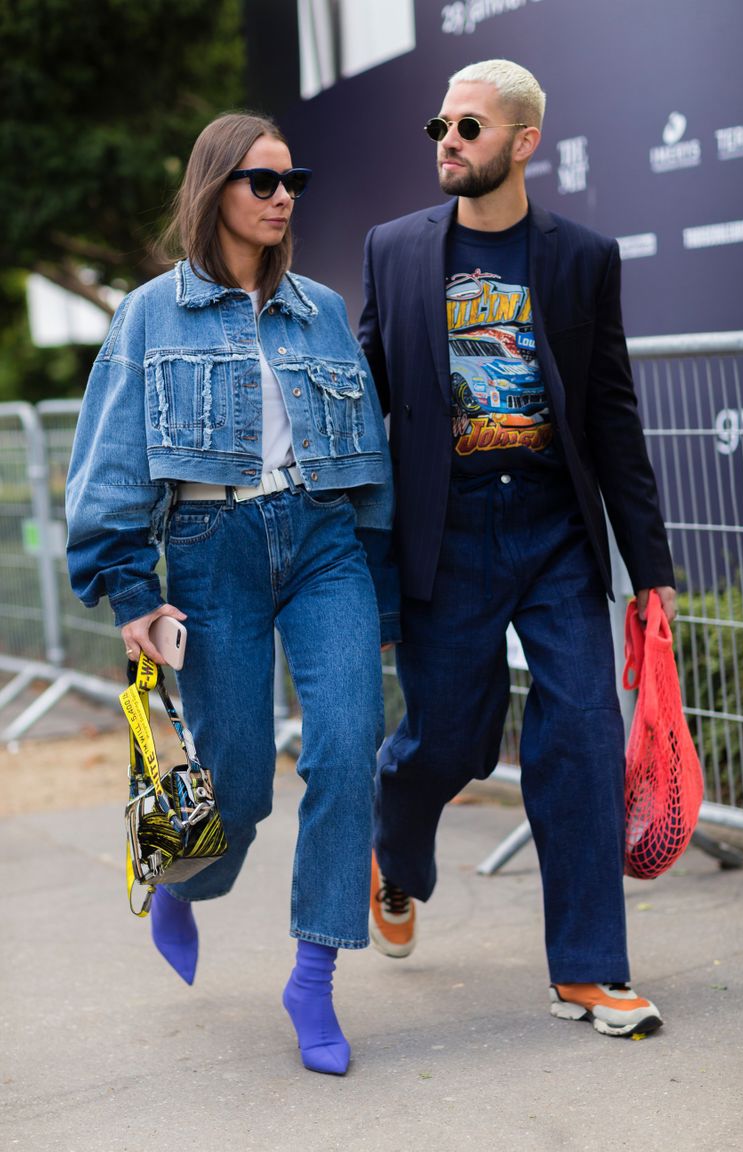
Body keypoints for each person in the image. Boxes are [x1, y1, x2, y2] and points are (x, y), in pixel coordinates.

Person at [66, 111, 399, 1076]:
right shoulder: (149, 314)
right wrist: (130, 588)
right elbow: (111, 462)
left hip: (325, 546)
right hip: (211, 549)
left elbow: (366, 454)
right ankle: (182, 878)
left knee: (347, 750)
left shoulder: (322, 310)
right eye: (262, 180)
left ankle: (314, 976)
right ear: (214, 188)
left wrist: (377, 582)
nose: (283, 195)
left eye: (292, 180)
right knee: (241, 790)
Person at [359, 59, 676, 1038]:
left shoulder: (583, 257)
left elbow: (612, 416)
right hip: (445, 536)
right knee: (450, 739)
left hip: (553, 534)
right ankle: (396, 856)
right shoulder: (395, 250)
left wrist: (649, 574)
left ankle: (589, 970)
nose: (447, 142)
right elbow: (364, 397)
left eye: (468, 128)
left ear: (524, 142)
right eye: (440, 129)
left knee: (581, 737)